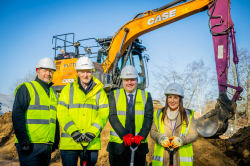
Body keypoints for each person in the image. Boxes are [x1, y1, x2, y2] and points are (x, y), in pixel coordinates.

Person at [57, 56, 109, 166]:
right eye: (82, 72)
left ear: (92, 72)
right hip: (70, 143)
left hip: (91, 143)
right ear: (77, 72)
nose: (85, 75)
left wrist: (92, 132)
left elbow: (103, 114)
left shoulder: (100, 92)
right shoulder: (67, 90)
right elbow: (61, 113)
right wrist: (73, 131)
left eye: (88, 72)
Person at [12, 57, 60, 166]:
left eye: (51, 71)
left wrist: (55, 141)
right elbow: (17, 115)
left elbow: (54, 119)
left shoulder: (53, 93)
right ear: (37, 71)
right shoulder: (27, 88)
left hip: (47, 145)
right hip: (30, 145)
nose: (48, 73)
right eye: (45, 70)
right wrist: (23, 141)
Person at [107, 65, 154, 166]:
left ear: (137, 80)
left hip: (139, 146)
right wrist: (124, 135)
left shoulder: (146, 96)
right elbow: (112, 117)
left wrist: (141, 135)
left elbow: (148, 118)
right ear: (122, 81)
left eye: (132, 79)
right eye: (126, 80)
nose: (129, 83)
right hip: (118, 148)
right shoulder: (113, 94)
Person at [150, 83, 198, 166]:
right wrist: (160, 138)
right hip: (162, 161)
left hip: (180, 161)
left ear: (180, 99)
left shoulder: (188, 115)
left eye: (175, 97)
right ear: (166, 98)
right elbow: (152, 131)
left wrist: (182, 140)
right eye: (170, 97)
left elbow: (194, 134)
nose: (172, 100)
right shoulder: (158, 114)